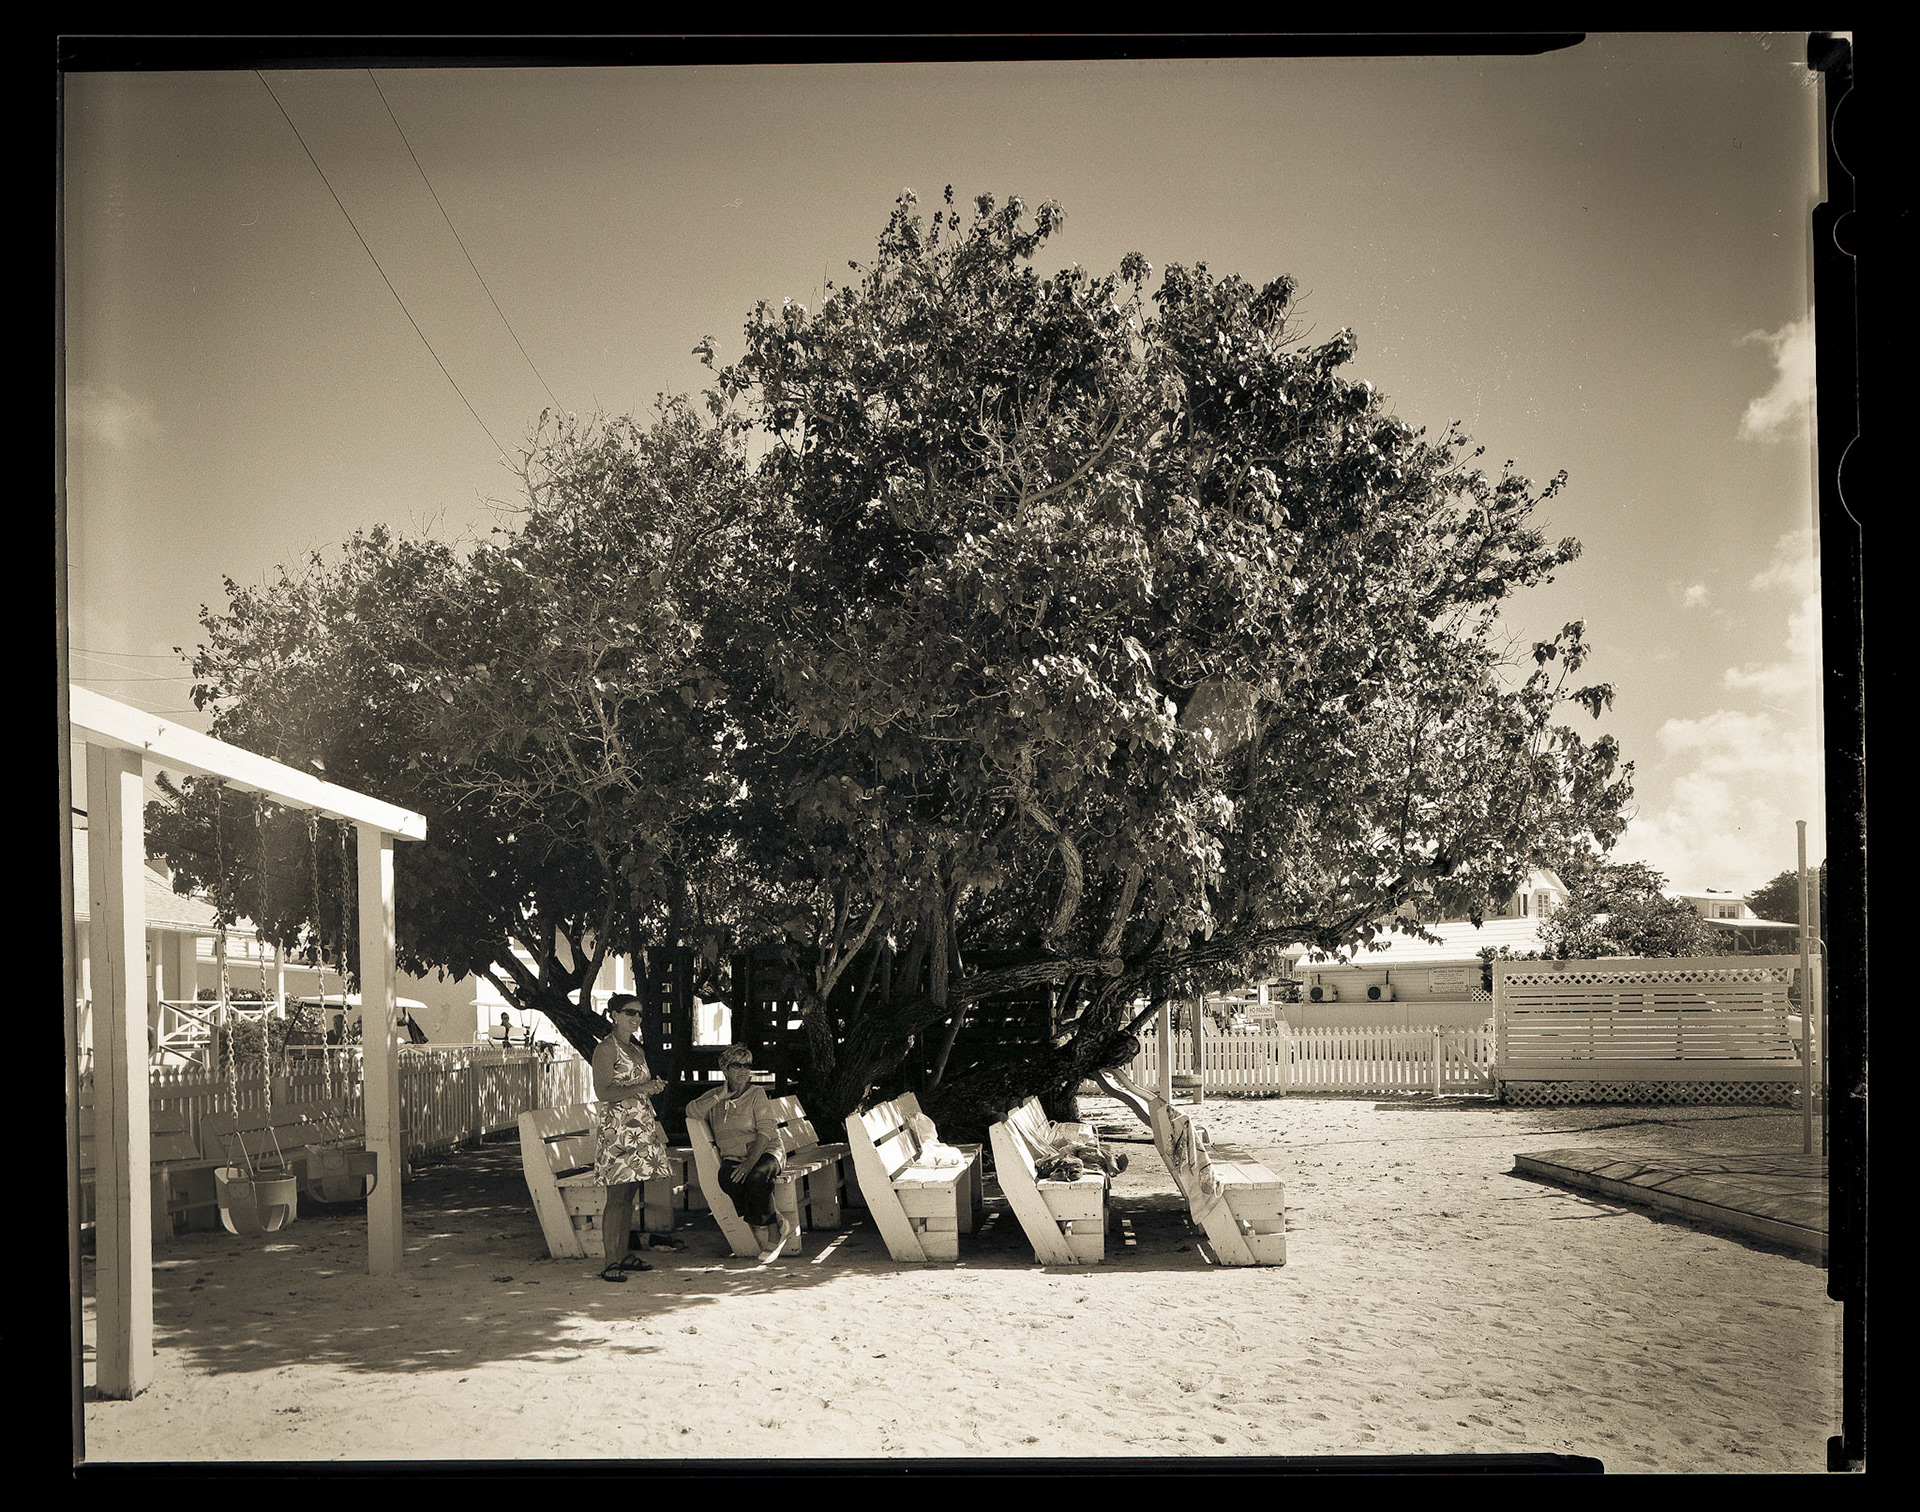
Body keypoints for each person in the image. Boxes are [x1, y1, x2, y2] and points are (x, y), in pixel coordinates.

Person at [685, 1045, 797, 1262]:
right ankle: (777, 1219)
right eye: (737, 1065)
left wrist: (748, 1164)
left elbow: (765, 1133)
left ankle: (775, 1234)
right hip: (734, 1157)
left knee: (755, 1177)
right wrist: (720, 1097)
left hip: (767, 1152)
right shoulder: (715, 1096)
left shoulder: (757, 1094)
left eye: (747, 1065)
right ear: (725, 1070)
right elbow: (692, 1111)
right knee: (726, 1179)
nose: (744, 1070)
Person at [591, 994, 674, 1282]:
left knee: (629, 1195)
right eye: (629, 1013)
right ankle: (609, 1261)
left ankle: (622, 1254)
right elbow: (603, 1092)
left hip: (639, 1128)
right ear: (613, 1014)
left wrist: (651, 1088)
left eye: (639, 1014)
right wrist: (641, 1088)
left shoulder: (636, 1050)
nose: (636, 1019)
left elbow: (638, 1086)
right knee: (616, 1197)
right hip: (619, 1130)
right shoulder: (606, 1049)